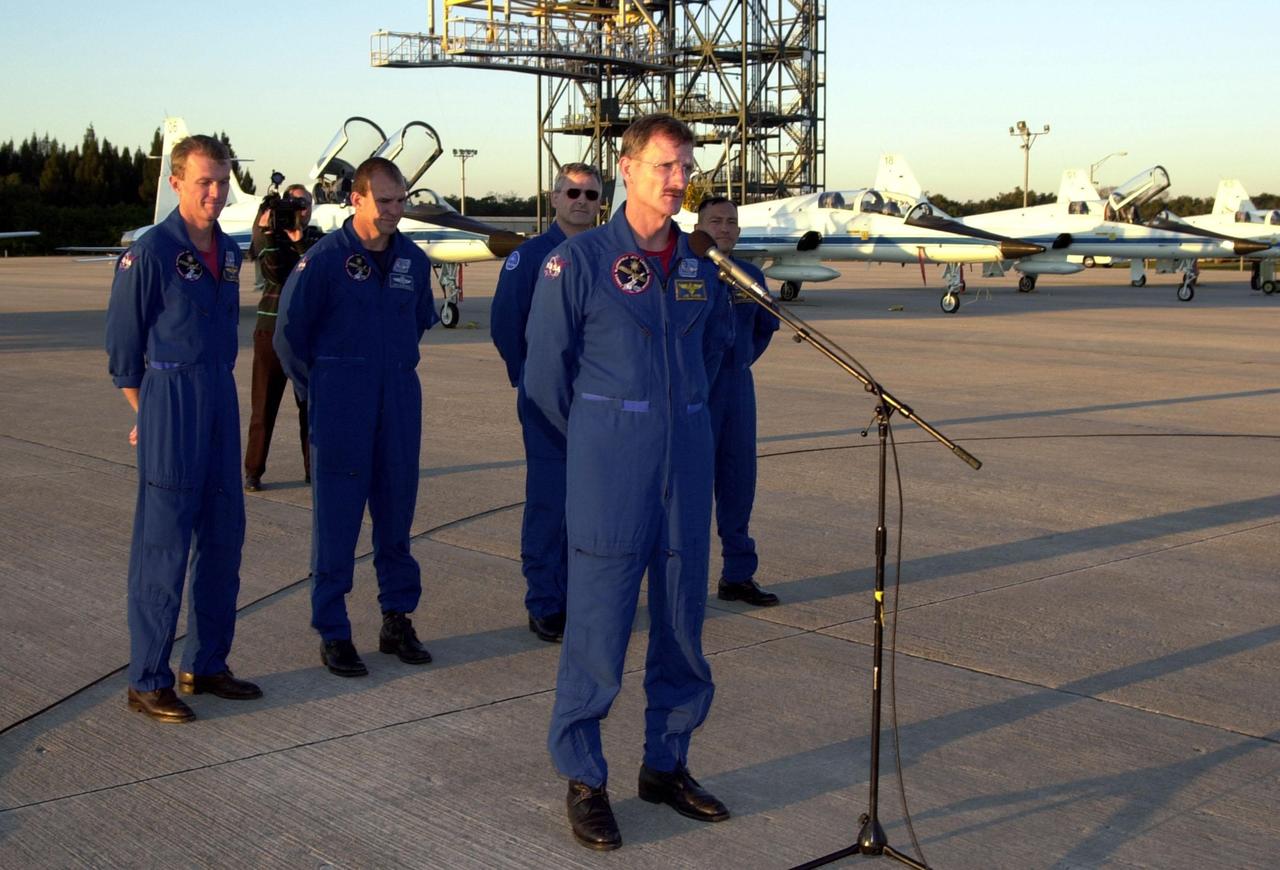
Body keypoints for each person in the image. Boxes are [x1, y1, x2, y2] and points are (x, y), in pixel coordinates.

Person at [523, 114, 735, 851]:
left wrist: (674, 423)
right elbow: (546, 381)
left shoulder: (699, 270)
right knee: (598, 630)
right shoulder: (577, 263)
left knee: (682, 626)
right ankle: (585, 778)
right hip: (612, 475)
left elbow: (714, 358)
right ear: (627, 166)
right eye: (665, 167)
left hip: (685, 472)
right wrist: (609, 433)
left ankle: (666, 765)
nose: (678, 181)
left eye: (684, 169)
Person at [105, 134, 263, 724]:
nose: (216, 193)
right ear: (176, 183)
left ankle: (208, 664)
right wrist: (150, 415)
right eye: (204, 182)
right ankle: (147, 678)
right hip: (170, 396)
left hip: (219, 393)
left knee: (225, 536)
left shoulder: (228, 252)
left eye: (223, 181)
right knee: (164, 545)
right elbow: (123, 353)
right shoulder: (149, 253)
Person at [274, 157, 438, 678]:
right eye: (385, 201)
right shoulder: (324, 260)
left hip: (398, 403)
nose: (395, 211)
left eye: (401, 201)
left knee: (396, 516)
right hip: (342, 407)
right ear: (357, 199)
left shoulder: (412, 259)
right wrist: (323, 391)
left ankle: (396, 619)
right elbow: (289, 337)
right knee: (337, 522)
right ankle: (334, 630)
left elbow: (418, 323)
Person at [490, 162, 604, 643]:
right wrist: (534, 381)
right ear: (554, 198)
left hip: (600, 400)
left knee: (596, 505)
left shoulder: (610, 257)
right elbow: (505, 325)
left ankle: (584, 598)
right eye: (571, 192)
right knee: (550, 502)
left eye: (592, 195)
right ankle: (545, 601)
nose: (581, 201)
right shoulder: (531, 256)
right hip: (547, 402)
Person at [695, 196, 782, 607]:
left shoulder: (750, 276)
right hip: (696, 391)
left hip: (736, 389)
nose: (725, 228)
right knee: (690, 487)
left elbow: (766, 326)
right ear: (699, 227)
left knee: (738, 482)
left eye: (731, 222)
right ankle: (684, 577)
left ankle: (738, 574)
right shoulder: (686, 274)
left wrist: (741, 360)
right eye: (716, 221)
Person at [243, 184, 325, 491]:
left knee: (311, 406)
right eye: (293, 203)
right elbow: (275, 274)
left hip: (307, 334)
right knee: (263, 405)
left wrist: (301, 242)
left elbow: (315, 275)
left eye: (304, 204)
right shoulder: (269, 238)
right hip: (271, 329)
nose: (299, 209)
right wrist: (266, 234)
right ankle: (253, 471)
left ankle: (313, 468)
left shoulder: (317, 239)